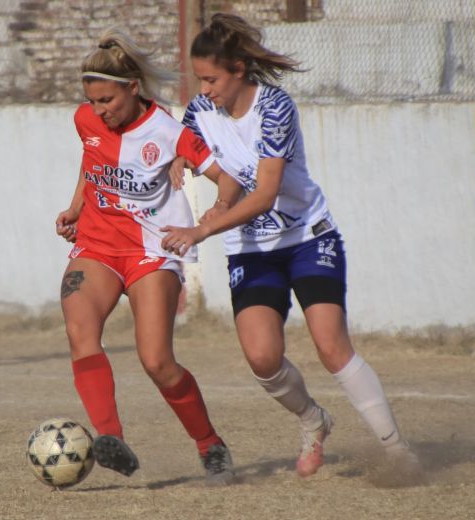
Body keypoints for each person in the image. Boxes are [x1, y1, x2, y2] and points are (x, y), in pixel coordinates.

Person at [161, 13, 420, 477]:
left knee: (331, 345)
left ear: (239, 69)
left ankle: (398, 450)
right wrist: (182, 156)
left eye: (211, 79)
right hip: (251, 249)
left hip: (306, 237)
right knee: (262, 358)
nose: (204, 90)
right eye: (199, 79)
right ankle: (313, 420)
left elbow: (263, 194)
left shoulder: (274, 107)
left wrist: (202, 230)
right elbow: (195, 148)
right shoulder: (201, 111)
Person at [56, 27, 239, 485]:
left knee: (156, 360)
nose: (98, 111)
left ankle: (209, 443)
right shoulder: (86, 120)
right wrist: (77, 205)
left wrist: (209, 218)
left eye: (107, 102)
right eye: (92, 102)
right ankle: (109, 438)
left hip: (151, 252)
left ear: (132, 88)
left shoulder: (170, 133)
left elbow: (229, 181)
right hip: (96, 245)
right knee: (80, 330)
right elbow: (91, 157)